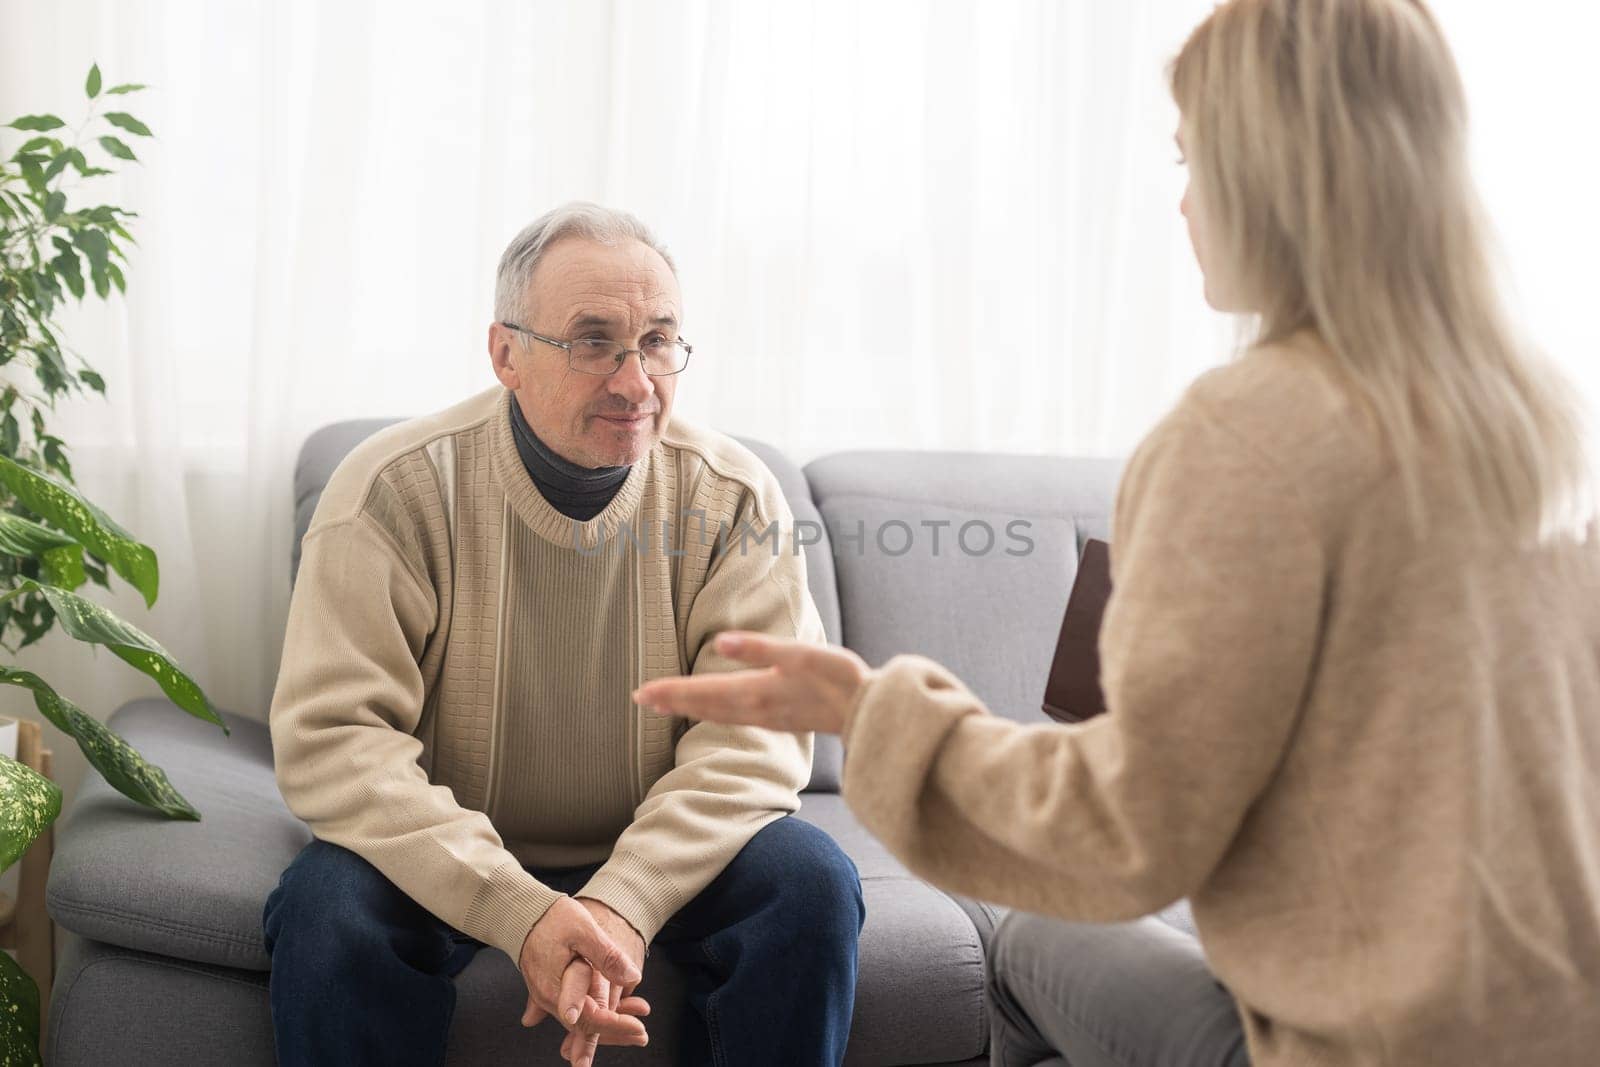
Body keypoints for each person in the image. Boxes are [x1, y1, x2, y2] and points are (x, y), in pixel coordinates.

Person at [632, 2, 1600, 1064]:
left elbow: (1120, 835)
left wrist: (867, 708)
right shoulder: (1536, 427)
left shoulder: (1249, 432)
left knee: (1030, 938)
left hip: (1369, 1045)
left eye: (1193, 157)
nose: (1182, 203)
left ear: (1267, 168)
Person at [262, 202, 864, 1067]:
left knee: (810, 882)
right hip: (447, 849)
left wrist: (622, 900)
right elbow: (337, 742)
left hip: (661, 847)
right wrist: (523, 911)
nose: (635, 381)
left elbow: (755, 740)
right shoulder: (390, 491)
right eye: (593, 341)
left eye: (658, 341)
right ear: (506, 352)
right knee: (328, 907)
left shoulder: (734, 497)